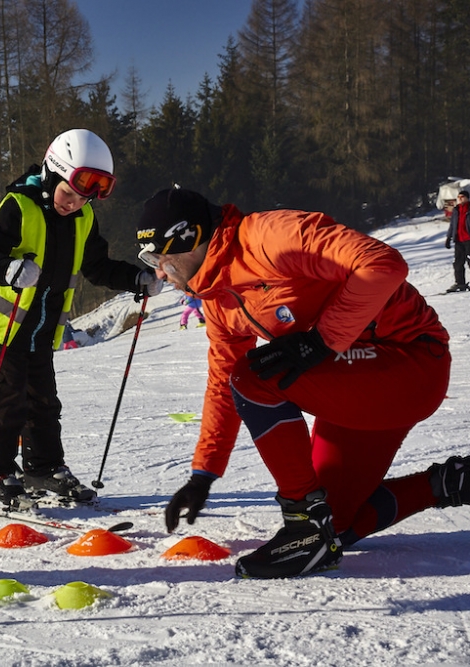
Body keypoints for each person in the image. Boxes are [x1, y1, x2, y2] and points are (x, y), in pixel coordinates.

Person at [134, 187, 461, 579]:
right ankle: (449, 483)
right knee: (337, 524)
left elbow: (382, 264)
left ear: (191, 239)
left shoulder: (270, 237)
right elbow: (223, 383)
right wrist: (203, 475)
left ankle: (304, 528)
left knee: (257, 375)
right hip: (352, 378)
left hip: (408, 361)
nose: (157, 271)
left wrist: (320, 341)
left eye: (159, 258)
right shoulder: (218, 296)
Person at [0, 129, 161, 506]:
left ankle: (43, 469)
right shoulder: (17, 206)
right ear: (52, 174)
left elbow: (97, 266)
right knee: (7, 399)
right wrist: (8, 269)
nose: (74, 203)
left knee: (43, 400)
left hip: (40, 327)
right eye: (68, 193)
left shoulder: (82, 218)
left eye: (84, 198)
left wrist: (136, 278)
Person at [444, 190, 470, 292]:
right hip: (459, 240)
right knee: (458, 263)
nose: (460, 199)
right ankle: (460, 283)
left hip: (468, 239)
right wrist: (448, 237)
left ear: (467, 198)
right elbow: (452, 225)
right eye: (459, 197)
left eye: (462, 197)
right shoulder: (456, 210)